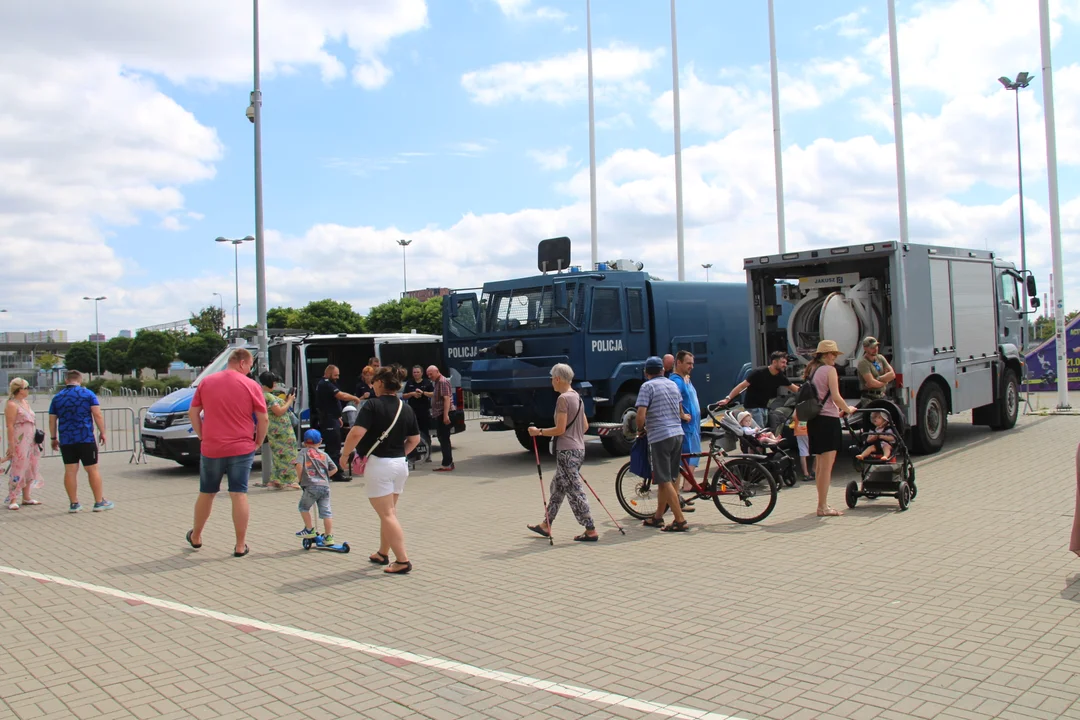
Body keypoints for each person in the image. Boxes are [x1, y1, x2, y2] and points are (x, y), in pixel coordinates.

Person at [187, 348, 268, 557]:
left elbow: (193, 411)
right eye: (250, 366)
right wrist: (258, 441)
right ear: (242, 363)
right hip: (242, 447)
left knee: (207, 492)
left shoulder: (207, 382)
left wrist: (202, 435)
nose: (249, 371)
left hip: (212, 446)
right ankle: (240, 545)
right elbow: (263, 418)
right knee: (238, 493)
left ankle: (196, 535)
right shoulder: (251, 385)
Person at [341, 366, 421, 574]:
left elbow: (356, 433)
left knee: (387, 515)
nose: (372, 385)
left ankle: (402, 560)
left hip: (379, 464)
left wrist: (344, 455)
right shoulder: (406, 407)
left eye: (374, 381)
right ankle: (383, 553)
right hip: (400, 465)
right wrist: (400, 453)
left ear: (380, 383)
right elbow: (415, 439)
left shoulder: (371, 406)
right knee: (390, 512)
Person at [526, 363, 597, 542]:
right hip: (579, 449)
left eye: (552, 378)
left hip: (567, 451)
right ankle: (546, 524)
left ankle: (590, 528)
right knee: (558, 488)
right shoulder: (578, 398)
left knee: (574, 490)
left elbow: (560, 429)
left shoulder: (563, 399)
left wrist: (539, 431)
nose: (551, 382)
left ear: (558, 379)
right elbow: (586, 426)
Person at [803, 340, 856, 517]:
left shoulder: (812, 370)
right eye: (833, 354)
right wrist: (848, 410)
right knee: (826, 467)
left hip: (815, 420)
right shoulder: (829, 370)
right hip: (828, 421)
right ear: (826, 355)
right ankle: (822, 506)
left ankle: (821, 503)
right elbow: (836, 397)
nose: (835, 357)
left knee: (819, 465)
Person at [635, 356, 688, 532]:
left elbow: (641, 414)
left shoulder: (647, 386)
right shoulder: (673, 384)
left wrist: (640, 429)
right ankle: (658, 516)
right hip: (677, 434)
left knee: (663, 480)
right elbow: (680, 411)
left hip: (660, 437)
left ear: (646, 373)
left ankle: (679, 520)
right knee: (670, 478)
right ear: (663, 371)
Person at [49, 370, 112, 513]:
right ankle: (98, 501)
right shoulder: (88, 394)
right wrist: (102, 432)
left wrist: (53, 438)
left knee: (70, 470)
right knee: (92, 469)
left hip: (66, 439)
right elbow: (97, 414)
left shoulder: (57, 398)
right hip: (85, 437)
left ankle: (74, 503)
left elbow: (52, 419)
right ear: (80, 380)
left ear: (66, 381)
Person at [719, 351, 800, 428]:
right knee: (759, 432)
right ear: (774, 362)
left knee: (761, 431)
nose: (785, 365)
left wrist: (808, 392)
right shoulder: (759, 372)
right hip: (753, 407)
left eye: (785, 363)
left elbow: (794, 388)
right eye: (783, 362)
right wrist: (728, 399)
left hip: (764, 407)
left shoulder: (779, 376)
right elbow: (741, 386)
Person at [314, 365, 360, 482]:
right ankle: (336, 473)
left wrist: (338, 416)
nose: (337, 377)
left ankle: (330, 471)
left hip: (331, 418)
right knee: (334, 447)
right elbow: (341, 395)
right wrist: (354, 397)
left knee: (332, 447)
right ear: (328, 373)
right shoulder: (326, 384)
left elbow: (331, 402)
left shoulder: (325, 383)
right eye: (335, 375)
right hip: (328, 420)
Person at [5, 378, 42, 510]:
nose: (28, 391)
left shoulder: (25, 402)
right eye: (26, 388)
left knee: (30, 466)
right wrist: (11, 445)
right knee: (18, 466)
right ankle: (13, 497)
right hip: (19, 439)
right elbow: (9, 425)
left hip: (31, 439)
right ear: (20, 390)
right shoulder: (12, 404)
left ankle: (26, 496)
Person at [295, 429, 337, 544]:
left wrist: (300, 480)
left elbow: (298, 466)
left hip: (311, 485)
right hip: (325, 486)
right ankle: (329, 537)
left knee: (303, 507)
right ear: (320, 441)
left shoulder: (303, 452)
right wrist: (324, 477)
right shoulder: (324, 454)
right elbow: (334, 469)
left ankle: (309, 529)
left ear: (304, 442)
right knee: (326, 512)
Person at [670, 350, 699, 511]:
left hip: (690, 428)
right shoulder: (676, 381)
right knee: (680, 465)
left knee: (684, 463)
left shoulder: (683, 379)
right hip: (684, 428)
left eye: (692, 363)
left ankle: (679, 496)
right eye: (688, 363)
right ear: (678, 362)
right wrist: (682, 414)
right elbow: (675, 399)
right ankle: (676, 500)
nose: (691, 367)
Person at [259, 372, 298, 490]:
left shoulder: (262, 395)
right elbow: (279, 411)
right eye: (274, 382)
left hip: (273, 429)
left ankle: (277, 479)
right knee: (289, 453)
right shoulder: (269, 396)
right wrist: (290, 401)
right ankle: (289, 479)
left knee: (278, 454)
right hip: (281, 429)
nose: (276, 384)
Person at [403, 365, 434, 460]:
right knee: (413, 434)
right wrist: (412, 394)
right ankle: (413, 454)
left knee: (425, 433)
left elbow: (433, 394)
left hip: (424, 412)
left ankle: (428, 454)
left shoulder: (427, 382)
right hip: (413, 412)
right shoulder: (410, 383)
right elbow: (404, 396)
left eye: (417, 372)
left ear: (421, 373)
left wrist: (423, 393)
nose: (416, 374)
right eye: (414, 372)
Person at [427, 365, 454, 472]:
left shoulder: (442, 381)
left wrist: (446, 415)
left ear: (437, 371)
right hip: (440, 414)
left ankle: (447, 464)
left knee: (444, 439)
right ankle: (448, 462)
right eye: (428, 374)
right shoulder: (438, 382)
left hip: (443, 413)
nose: (429, 376)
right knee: (443, 438)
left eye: (431, 374)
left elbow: (446, 399)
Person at [857, 337, 896, 403]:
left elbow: (892, 374)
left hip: (882, 395)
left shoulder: (880, 358)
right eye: (872, 347)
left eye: (876, 346)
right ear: (865, 348)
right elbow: (871, 382)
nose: (875, 349)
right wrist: (885, 382)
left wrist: (878, 379)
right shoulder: (863, 363)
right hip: (870, 397)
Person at [791, 409, 814, 482]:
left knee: (803, 452)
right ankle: (814, 471)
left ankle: (806, 474)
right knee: (816, 452)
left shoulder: (798, 405)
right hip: (810, 430)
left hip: (799, 431)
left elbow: (794, 417)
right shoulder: (811, 405)